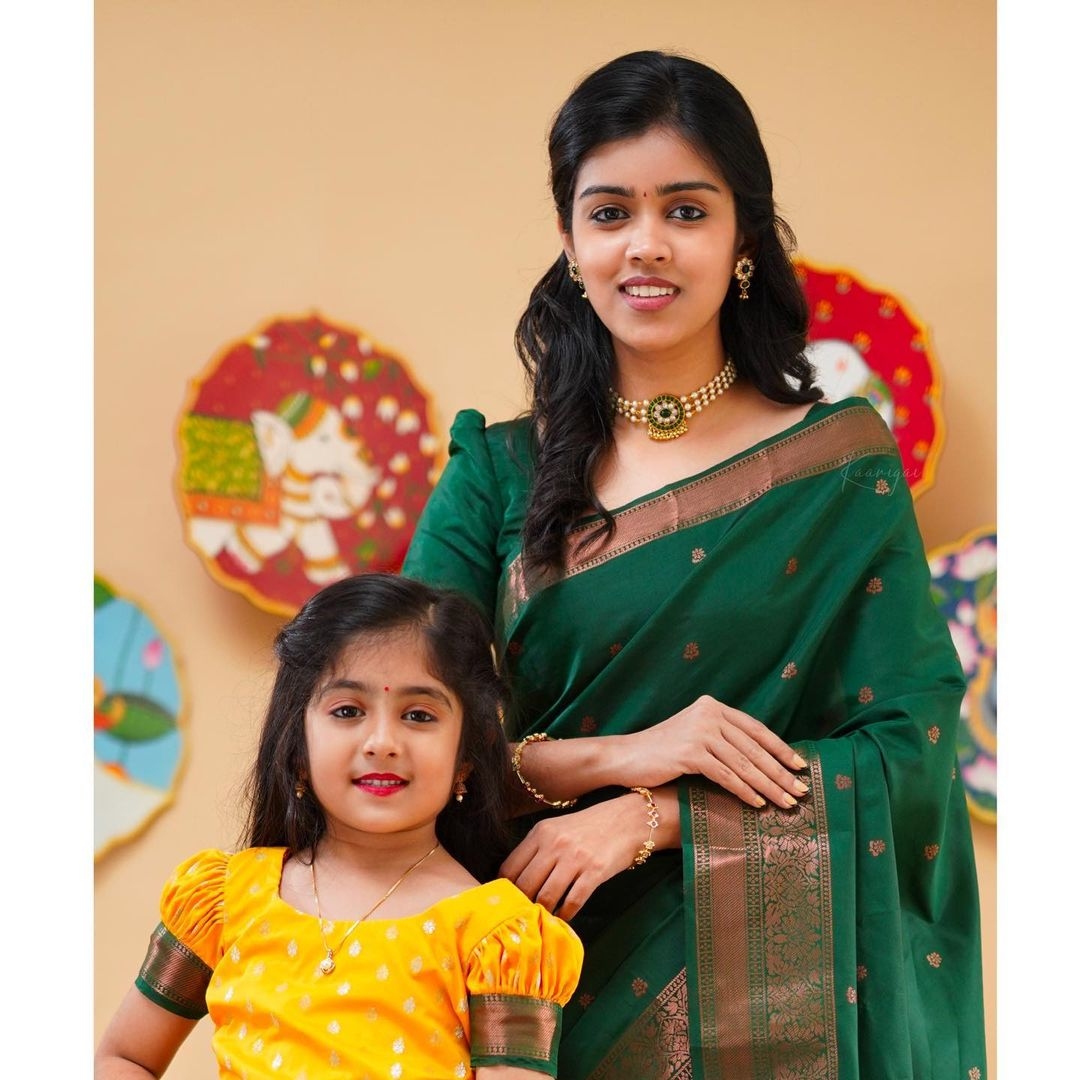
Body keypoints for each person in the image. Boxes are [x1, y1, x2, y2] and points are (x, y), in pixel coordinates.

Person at [402, 49, 986, 1079]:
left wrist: (655, 818)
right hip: (523, 992)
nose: (647, 245)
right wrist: (620, 757)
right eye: (610, 212)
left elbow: (910, 752)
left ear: (743, 237)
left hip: (779, 1008)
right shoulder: (494, 474)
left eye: (685, 210)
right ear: (570, 242)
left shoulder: (839, 467)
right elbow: (404, 727)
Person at [95, 573, 584, 1079]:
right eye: (348, 710)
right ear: (297, 748)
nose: (382, 742)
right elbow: (123, 1058)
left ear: (466, 757)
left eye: (418, 715)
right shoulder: (224, 901)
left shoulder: (499, 941)